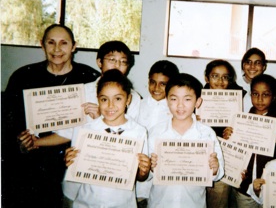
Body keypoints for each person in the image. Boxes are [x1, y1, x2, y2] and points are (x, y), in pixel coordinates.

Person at [2, 24, 100, 208]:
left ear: (74, 46)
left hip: (70, 162)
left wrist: (98, 114)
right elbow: (7, 120)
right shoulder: (23, 76)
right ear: (42, 44)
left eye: (64, 43)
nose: (57, 49)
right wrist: (19, 140)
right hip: (30, 162)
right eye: (51, 42)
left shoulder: (89, 77)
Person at [18, 40, 142, 151]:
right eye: (112, 60)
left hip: (113, 156)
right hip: (83, 156)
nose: (117, 65)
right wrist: (34, 142)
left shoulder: (133, 98)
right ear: (99, 62)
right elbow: (68, 132)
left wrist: (100, 119)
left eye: (123, 62)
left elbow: (128, 138)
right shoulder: (81, 92)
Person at [64, 69, 151, 207]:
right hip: (87, 202)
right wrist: (70, 160)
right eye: (104, 99)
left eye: (118, 98)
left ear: (128, 99)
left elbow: (140, 177)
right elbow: (75, 172)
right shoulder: (85, 130)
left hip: (122, 203)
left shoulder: (138, 132)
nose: (110, 105)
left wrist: (144, 170)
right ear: (97, 99)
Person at [148, 73, 224, 207]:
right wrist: (150, 166)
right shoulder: (156, 132)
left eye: (187, 99)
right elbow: (146, 175)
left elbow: (218, 174)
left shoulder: (206, 134)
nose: (180, 105)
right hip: (160, 203)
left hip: (193, 203)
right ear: (167, 100)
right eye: (174, 99)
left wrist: (214, 169)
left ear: (198, 102)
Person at [224, 74, 276, 208]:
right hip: (244, 185)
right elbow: (233, 152)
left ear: (273, 96)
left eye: (265, 95)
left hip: (269, 186)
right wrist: (228, 138)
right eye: (255, 94)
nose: (259, 99)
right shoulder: (240, 120)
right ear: (250, 95)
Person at [135, 60, 179, 207]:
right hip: (136, 177)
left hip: (163, 179)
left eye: (163, 84)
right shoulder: (137, 105)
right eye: (152, 82)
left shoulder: (178, 111)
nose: (156, 88)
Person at [202, 59, 245, 208]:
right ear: (206, 78)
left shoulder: (238, 102)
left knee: (218, 202)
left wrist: (234, 133)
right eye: (215, 76)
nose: (220, 81)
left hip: (224, 162)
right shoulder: (196, 99)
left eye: (225, 77)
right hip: (198, 161)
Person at [236, 48, 267, 113]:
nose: (252, 66)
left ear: (263, 67)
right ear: (243, 65)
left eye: (257, 63)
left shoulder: (272, 89)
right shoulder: (233, 87)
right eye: (248, 62)